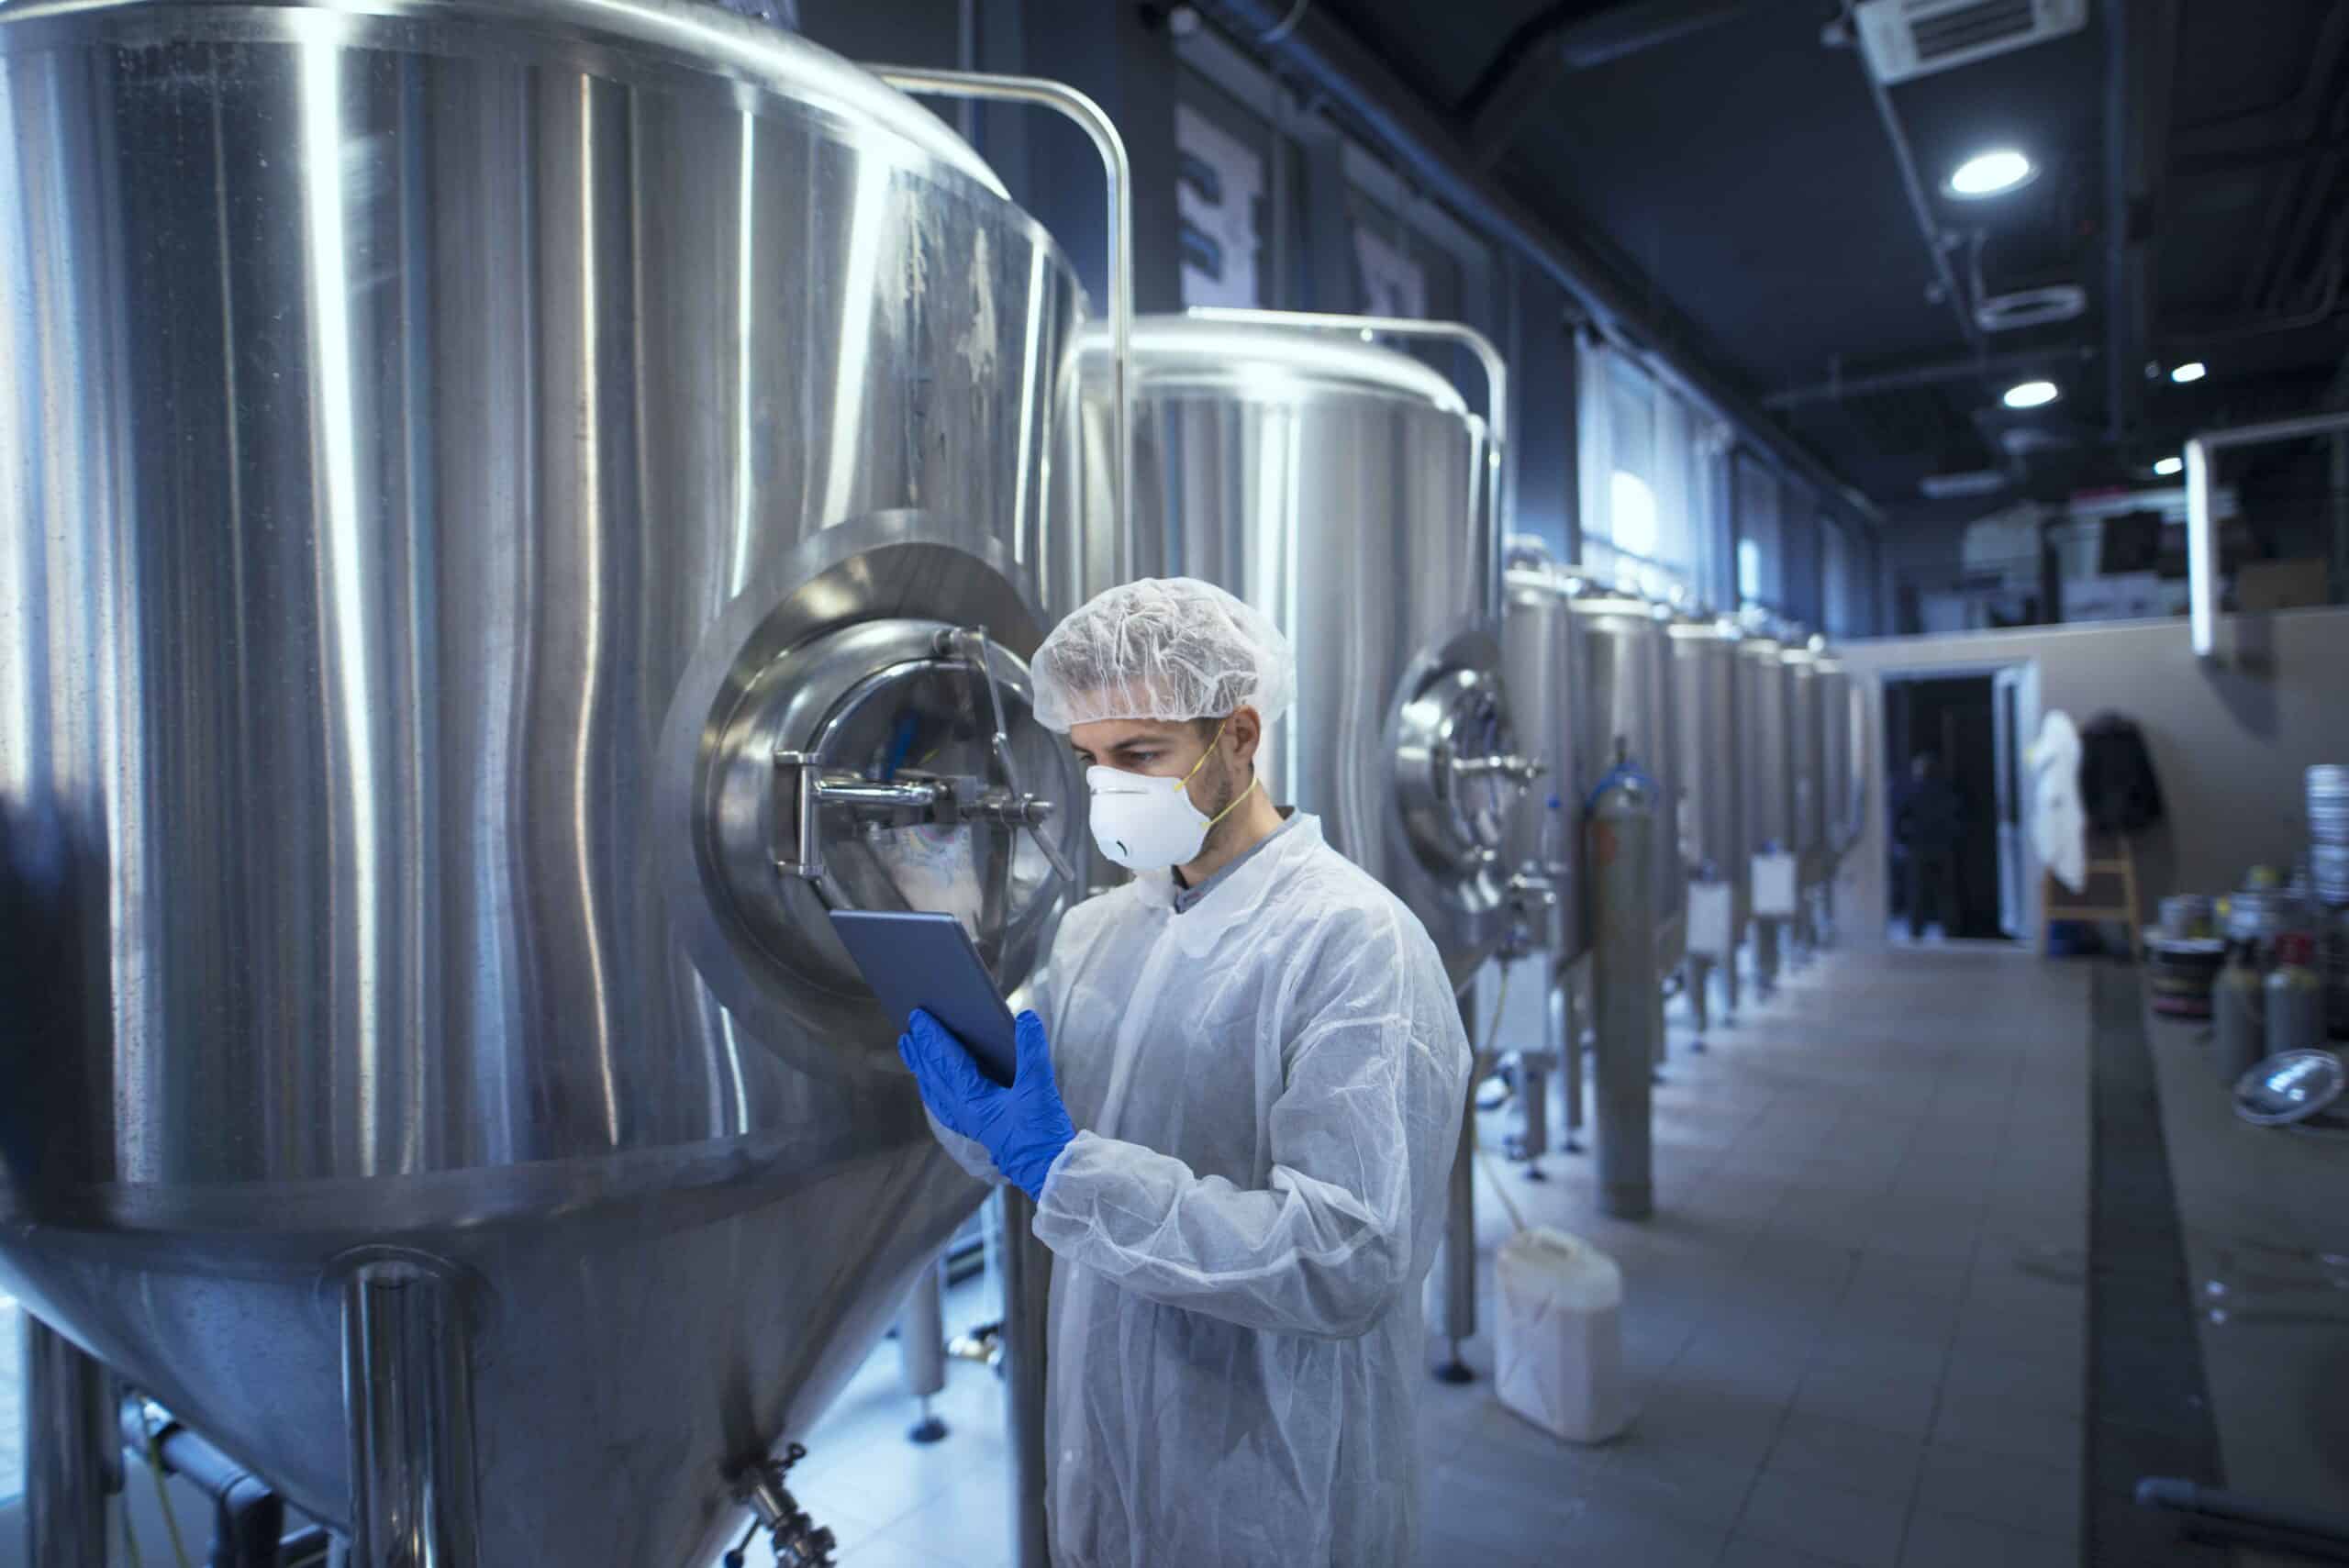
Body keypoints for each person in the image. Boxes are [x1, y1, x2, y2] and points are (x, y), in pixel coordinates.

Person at [895, 577, 1472, 1568]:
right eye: (1090, 759)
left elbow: (1345, 1256)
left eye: (1139, 755)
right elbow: (1018, 1140)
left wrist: (1067, 1171)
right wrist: (972, 1095)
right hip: (1104, 1446)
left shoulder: (1355, 942)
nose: (1108, 786)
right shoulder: (1095, 931)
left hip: (1273, 1468)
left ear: (1240, 736)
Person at [1894, 751, 1965, 941]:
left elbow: (1900, 818)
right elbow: (1957, 817)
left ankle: (1916, 930)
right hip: (1942, 847)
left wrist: (1902, 840)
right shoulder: (1946, 790)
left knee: (1918, 891)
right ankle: (1950, 930)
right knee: (1945, 892)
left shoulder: (1914, 791)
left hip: (1919, 847)